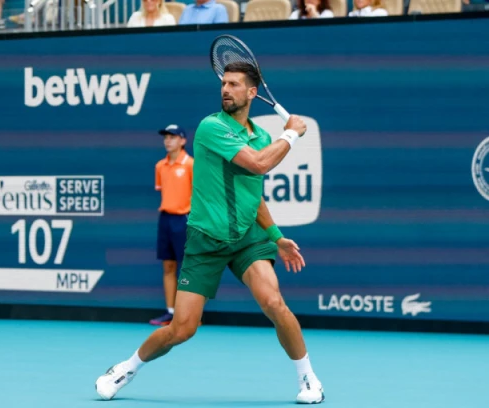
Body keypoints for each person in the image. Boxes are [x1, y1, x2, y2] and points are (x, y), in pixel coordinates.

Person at [95, 61, 324, 404]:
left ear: (252, 92)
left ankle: (309, 379)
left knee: (274, 303)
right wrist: (290, 133)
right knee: (182, 329)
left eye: (234, 84)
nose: (226, 90)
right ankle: (126, 368)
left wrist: (276, 236)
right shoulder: (211, 127)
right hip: (206, 239)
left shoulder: (261, 138)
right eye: (224, 83)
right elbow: (259, 163)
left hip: (247, 238)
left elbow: (253, 195)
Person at [150, 124, 194, 326]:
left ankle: (190, 315)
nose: (168, 141)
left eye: (173, 137)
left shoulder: (191, 164)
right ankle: (171, 312)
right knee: (168, 266)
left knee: (188, 268)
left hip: (185, 219)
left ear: (183, 141)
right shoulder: (160, 166)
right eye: (166, 137)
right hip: (166, 219)